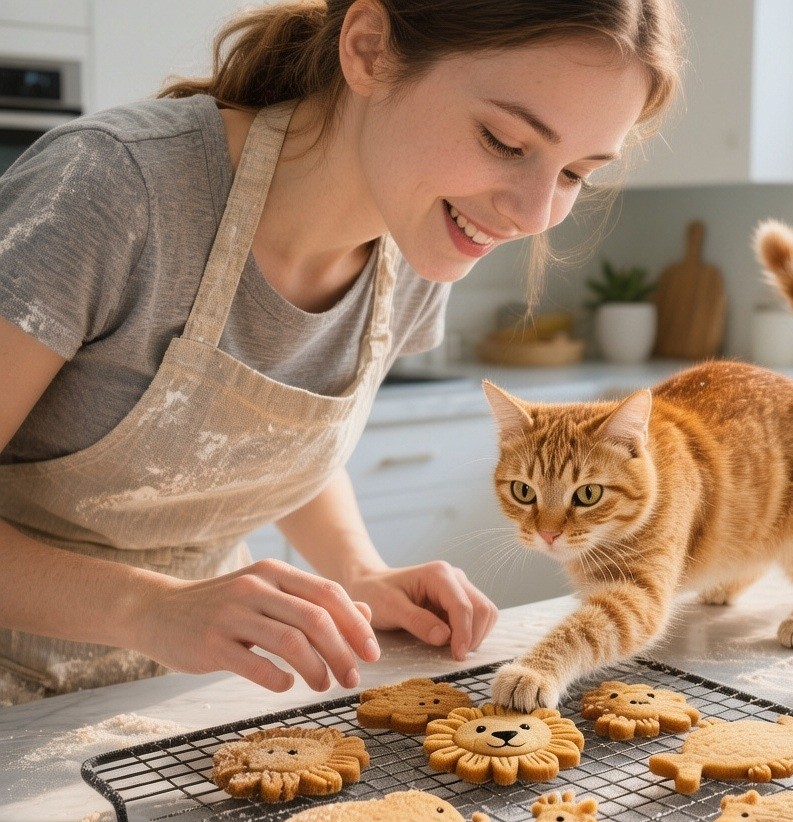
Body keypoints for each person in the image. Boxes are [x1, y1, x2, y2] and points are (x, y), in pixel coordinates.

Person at [0, 0, 683, 705]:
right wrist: (150, 609)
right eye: (506, 141)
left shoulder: (425, 241)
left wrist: (360, 574)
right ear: (367, 50)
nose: (535, 215)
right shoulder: (113, 191)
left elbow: (253, 439)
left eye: (577, 174)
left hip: (165, 700)